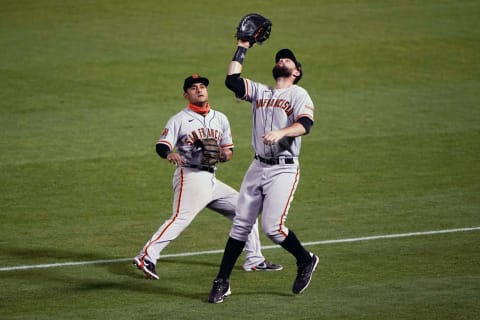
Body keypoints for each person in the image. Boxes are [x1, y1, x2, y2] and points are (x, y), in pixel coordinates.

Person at [133, 74, 282, 280]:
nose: (200, 90)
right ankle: (146, 256)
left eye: (202, 86)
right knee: (180, 219)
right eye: (194, 88)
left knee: (246, 209)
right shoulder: (179, 119)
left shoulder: (220, 118)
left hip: (212, 180)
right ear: (186, 94)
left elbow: (228, 152)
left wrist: (220, 155)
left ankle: (254, 260)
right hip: (191, 176)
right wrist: (170, 154)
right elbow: (162, 145)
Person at [207, 41, 318, 304]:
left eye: (287, 60)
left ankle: (305, 260)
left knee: (272, 227)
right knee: (240, 225)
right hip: (257, 166)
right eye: (279, 58)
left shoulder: (299, 94)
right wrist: (242, 46)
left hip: (284, 169)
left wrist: (281, 132)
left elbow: (305, 124)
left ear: (297, 71)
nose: (281, 61)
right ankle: (222, 281)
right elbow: (232, 81)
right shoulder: (261, 92)